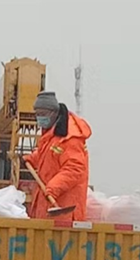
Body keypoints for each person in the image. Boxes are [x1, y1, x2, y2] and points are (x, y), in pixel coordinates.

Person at [24, 91, 92, 221]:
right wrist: (32, 158)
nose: (39, 119)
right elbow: (48, 156)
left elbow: (74, 169)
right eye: (37, 115)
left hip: (65, 212)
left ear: (54, 113)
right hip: (49, 212)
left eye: (42, 115)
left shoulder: (71, 138)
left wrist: (53, 187)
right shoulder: (52, 136)